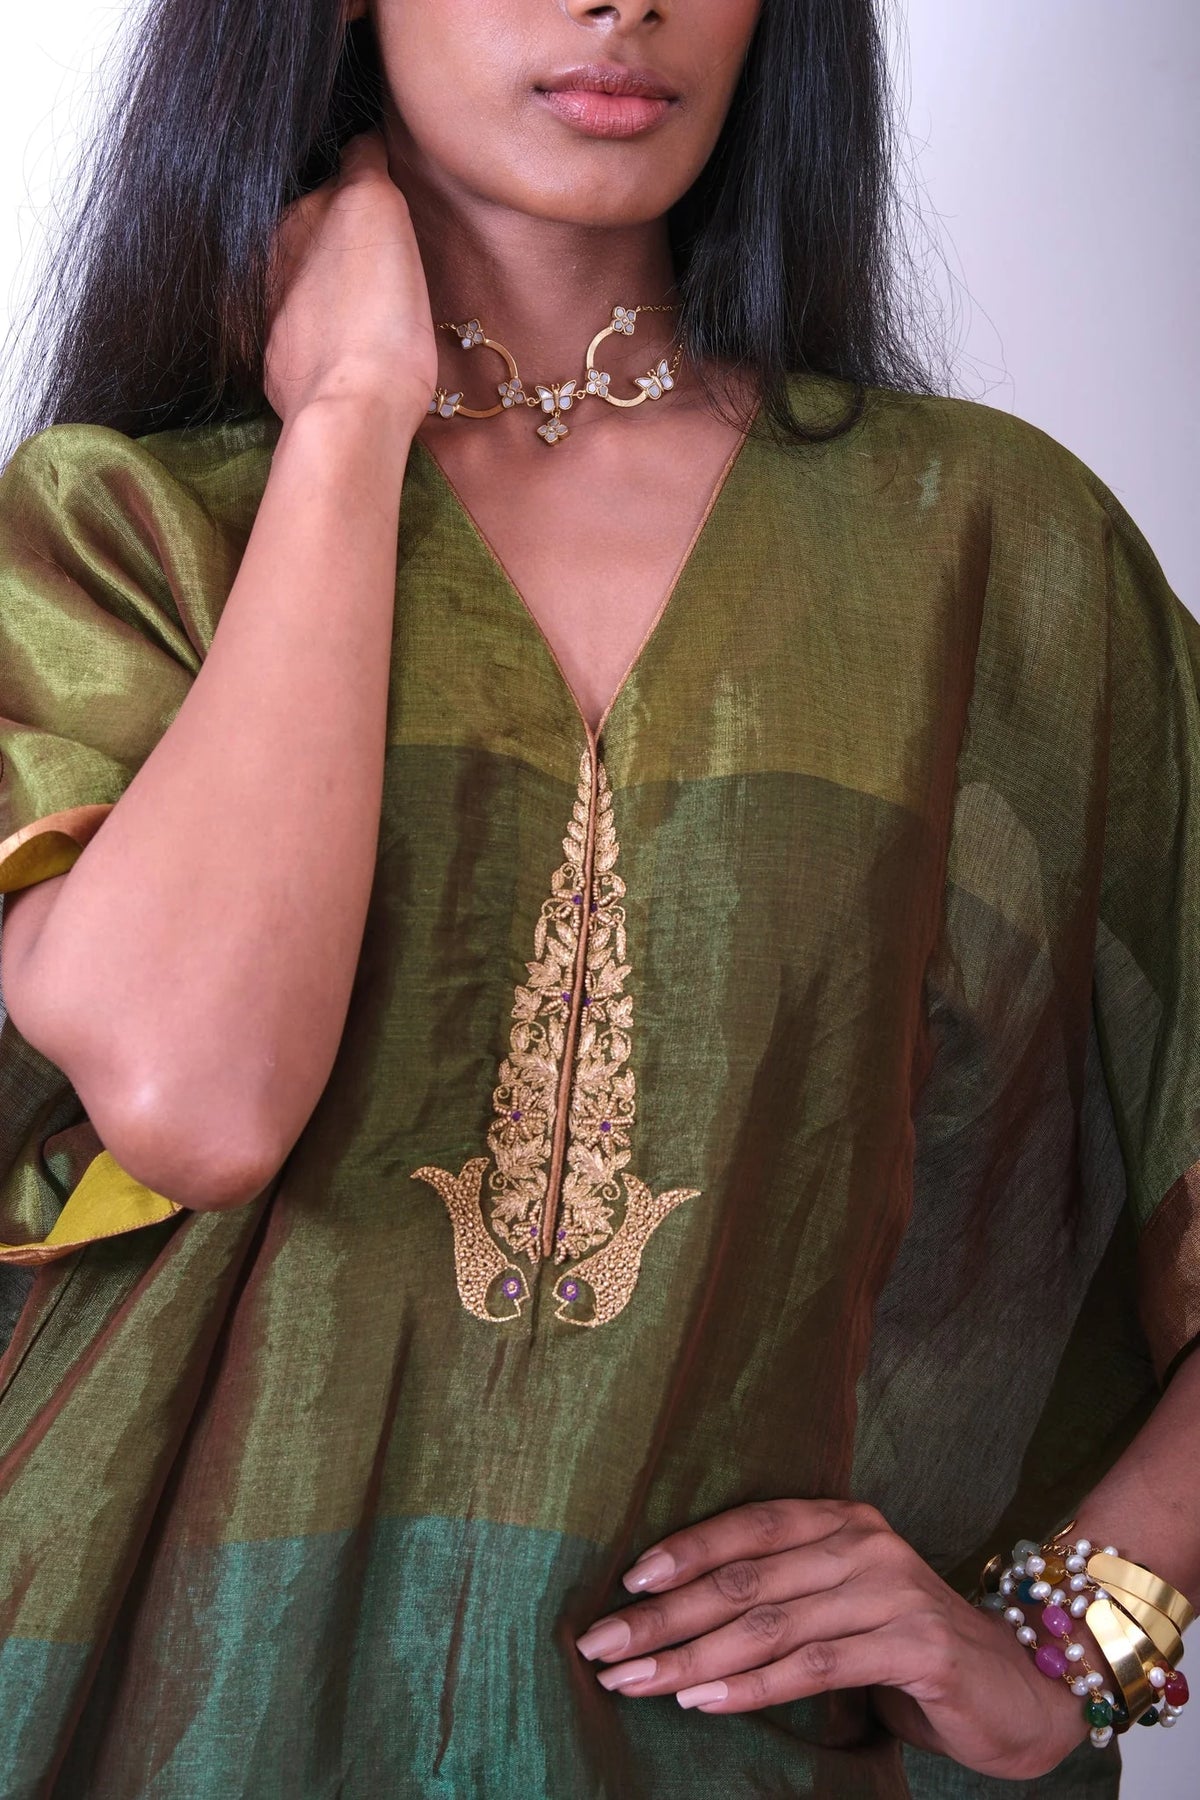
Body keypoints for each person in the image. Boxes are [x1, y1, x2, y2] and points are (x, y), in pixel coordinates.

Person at [0, 0, 1195, 1794]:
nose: (619, 3)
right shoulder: (122, 537)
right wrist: (352, 417)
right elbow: (198, 1099)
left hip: (734, 1758)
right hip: (163, 1720)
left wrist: (1078, 1639)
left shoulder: (984, 552)